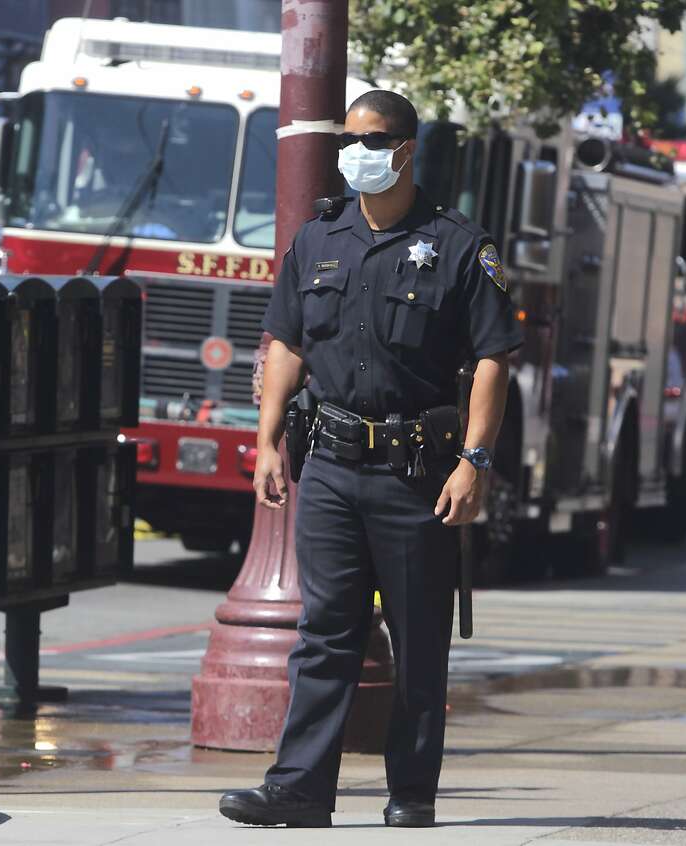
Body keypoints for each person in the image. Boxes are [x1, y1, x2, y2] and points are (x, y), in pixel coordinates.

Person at [218, 90, 522, 829]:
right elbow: (287, 344)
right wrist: (263, 444)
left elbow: (492, 361)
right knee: (325, 633)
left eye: (371, 139)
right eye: (348, 139)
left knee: (419, 640)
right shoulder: (318, 238)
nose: (356, 151)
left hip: (416, 470)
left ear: (407, 149)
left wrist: (475, 461)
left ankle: (411, 791)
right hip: (328, 463)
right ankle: (299, 788)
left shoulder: (457, 245)